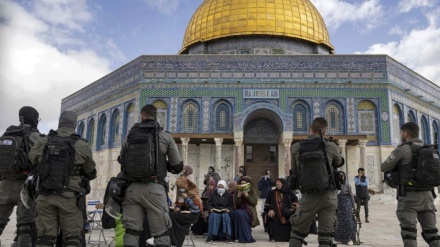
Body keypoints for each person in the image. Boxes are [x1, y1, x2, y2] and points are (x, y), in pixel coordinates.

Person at [28, 111, 97, 247]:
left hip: (45, 195)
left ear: (60, 122)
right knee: (71, 238)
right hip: (69, 198)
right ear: (74, 124)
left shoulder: (43, 140)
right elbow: (90, 170)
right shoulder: (81, 145)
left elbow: (32, 159)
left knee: (45, 238)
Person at [118, 104, 183, 247]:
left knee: (131, 232)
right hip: (155, 189)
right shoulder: (165, 136)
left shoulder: (130, 137)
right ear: (156, 117)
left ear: (141, 116)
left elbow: (121, 160)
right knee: (160, 233)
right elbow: (177, 166)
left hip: (132, 189)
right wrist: (162, 163)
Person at [381, 122, 440, 247]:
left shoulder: (404, 149)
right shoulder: (429, 148)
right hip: (428, 195)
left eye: (401, 133)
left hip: (409, 197)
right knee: (431, 232)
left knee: (409, 233)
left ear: (405, 134)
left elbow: (384, 166)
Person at [289, 117, 344, 247]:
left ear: (310, 128)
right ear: (324, 131)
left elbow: (294, 170)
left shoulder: (296, 147)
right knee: (326, 236)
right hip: (329, 196)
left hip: (309, 196)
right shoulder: (331, 146)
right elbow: (338, 162)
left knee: (297, 233)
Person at [0, 106, 40, 246]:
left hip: (5, 185)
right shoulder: (34, 136)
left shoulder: (7, 134)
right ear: (34, 118)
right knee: (25, 227)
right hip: (25, 187)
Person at [169, 176, 202, 247]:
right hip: (185, 213)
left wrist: (186, 198)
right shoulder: (181, 193)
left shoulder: (193, 192)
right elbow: (179, 204)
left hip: (193, 215)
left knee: (172, 216)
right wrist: (177, 207)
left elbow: (196, 207)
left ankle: (176, 241)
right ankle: (173, 240)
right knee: (170, 214)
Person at [265, 178, 298, 242]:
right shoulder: (272, 192)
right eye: (276, 182)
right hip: (276, 212)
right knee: (271, 218)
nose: (277, 183)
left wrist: (292, 209)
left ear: (283, 184)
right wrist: (270, 209)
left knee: (292, 219)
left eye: (279, 182)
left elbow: (295, 201)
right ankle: (273, 237)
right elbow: (267, 203)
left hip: (287, 213)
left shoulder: (289, 192)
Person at [230, 176, 259, 243]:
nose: (243, 185)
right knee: (233, 213)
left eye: (244, 183)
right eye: (242, 183)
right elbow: (237, 205)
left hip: (249, 210)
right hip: (240, 209)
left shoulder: (252, 191)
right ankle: (235, 236)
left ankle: (244, 237)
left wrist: (247, 196)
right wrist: (238, 197)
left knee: (239, 214)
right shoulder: (238, 191)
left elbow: (254, 203)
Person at [206, 180, 233, 244]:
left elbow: (231, 205)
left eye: (222, 187)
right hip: (215, 210)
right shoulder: (213, 194)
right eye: (219, 187)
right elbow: (209, 203)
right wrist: (211, 209)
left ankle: (228, 236)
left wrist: (229, 209)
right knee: (213, 216)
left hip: (224, 211)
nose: (220, 188)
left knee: (226, 217)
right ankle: (210, 236)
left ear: (224, 187)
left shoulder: (228, 195)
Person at [334, 171, 356, 246]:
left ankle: (349, 238)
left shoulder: (347, 185)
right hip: (338, 204)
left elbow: (351, 195)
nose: (341, 177)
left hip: (346, 205)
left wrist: (354, 206)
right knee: (339, 221)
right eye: (339, 176)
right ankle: (339, 238)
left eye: (342, 176)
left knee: (348, 221)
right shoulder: (335, 185)